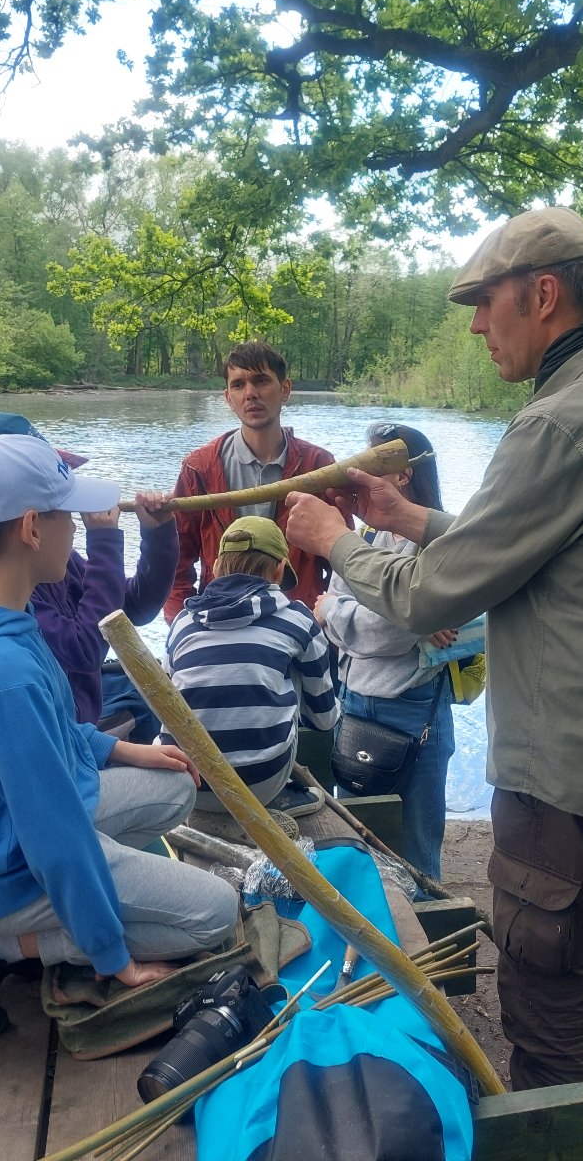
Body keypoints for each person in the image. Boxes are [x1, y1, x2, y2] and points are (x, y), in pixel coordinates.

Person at [284, 208, 583, 1160]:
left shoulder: (558, 423)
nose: (477, 325)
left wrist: (338, 543)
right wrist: (411, 517)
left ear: (542, 294)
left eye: (484, 304)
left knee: (549, 998)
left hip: (569, 780)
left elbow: (425, 602)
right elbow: (553, 553)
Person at [0, 434, 238, 1050]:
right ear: (31, 527)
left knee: (170, 787)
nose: (77, 530)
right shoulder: (3, 673)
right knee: (214, 915)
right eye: (68, 516)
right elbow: (54, 837)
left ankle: (77, 904)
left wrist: (125, 750)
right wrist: (112, 956)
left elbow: (49, 739)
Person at [0, 411, 176, 740]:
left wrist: (158, 536)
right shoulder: (1, 595)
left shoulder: (43, 563)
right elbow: (85, 650)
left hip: (73, 730)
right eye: (63, 510)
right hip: (58, 735)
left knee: (148, 698)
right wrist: (105, 542)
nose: (74, 522)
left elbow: (132, 611)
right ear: (31, 524)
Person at [314, 422, 461, 880]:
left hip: (413, 711)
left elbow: (387, 632)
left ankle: (424, 936)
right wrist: (399, 621)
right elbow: (340, 609)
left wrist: (341, 612)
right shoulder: (370, 539)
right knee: (361, 836)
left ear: (403, 474)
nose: (356, 470)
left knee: (416, 848)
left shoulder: (436, 540)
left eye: (371, 462)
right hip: (356, 704)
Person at [163, 516, 340, 812]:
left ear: (217, 568)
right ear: (280, 569)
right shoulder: (297, 619)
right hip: (259, 785)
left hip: (186, 783)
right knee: (289, 668)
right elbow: (324, 720)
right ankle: (281, 792)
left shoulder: (183, 621)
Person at [166, 341, 342, 619]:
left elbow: (341, 558)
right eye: (238, 385)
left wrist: (328, 621)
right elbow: (176, 562)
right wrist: (184, 625)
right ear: (228, 397)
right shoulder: (199, 468)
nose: (250, 394)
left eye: (261, 381)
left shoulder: (318, 467)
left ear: (285, 389)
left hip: (302, 626)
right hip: (221, 625)